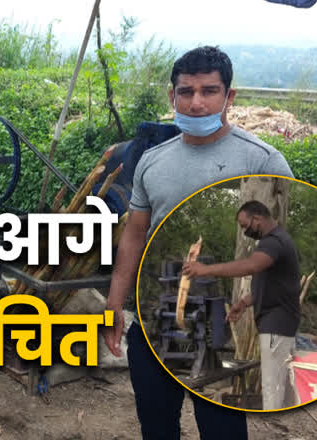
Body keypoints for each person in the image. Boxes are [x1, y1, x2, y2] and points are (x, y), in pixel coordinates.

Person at [102, 46, 293, 439]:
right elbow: (135, 237)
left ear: (229, 97)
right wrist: (114, 305)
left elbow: (280, 253)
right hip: (157, 313)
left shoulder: (263, 161)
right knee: (156, 423)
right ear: (172, 97)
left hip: (222, 321)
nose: (196, 103)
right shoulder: (153, 162)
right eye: (186, 92)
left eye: (209, 91)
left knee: (222, 428)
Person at [183, 200, 301, 410]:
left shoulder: (273, 242)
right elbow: (274, 283)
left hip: (277, 326)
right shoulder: (277, 240)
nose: (245, 231)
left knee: (272, 386)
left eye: (245, 225)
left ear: (258, 217)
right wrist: (244, 303)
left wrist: (204, 269)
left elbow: (250, 266)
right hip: (280, 323)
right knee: (283, 384)